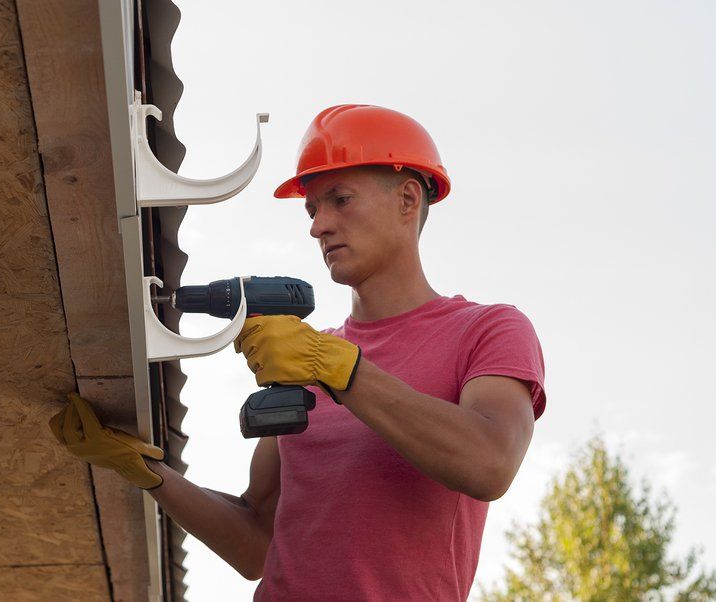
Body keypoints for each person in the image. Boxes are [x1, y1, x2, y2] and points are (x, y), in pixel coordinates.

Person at [49, 104, 546, 601]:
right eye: (312, 209)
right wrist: (148, 473)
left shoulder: (487, 330)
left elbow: (489, 462)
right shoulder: (307, 359)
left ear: (408, 199)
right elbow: (257, 544)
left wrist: (338, 368)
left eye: (340, 200)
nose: (318, 226)